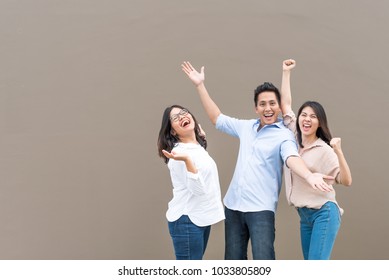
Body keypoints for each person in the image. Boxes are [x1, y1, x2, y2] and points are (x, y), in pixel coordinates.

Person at [181, 61, 334, 260]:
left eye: (272, 103)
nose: (268, 108)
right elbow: (216, 118)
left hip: (261, 210)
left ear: (278, 107)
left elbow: (291, 158)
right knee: (233, 265)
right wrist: (200, 85)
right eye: (262, 104)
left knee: (264, 263)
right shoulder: (246, 128)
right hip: (233, 207)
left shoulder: (284, 135)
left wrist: (308, 174)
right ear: (256, 108)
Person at [281, 59, 352, 260]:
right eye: (303, 115)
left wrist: (338, 150)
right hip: (304, 216)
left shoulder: (324, 149)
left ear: (319, 122)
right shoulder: (292, 136)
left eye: (312, 116)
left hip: (324, 213)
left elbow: (346, 181)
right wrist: (286, 72)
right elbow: (285, 105)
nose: (306, 119)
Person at [157, 104, 225, 260]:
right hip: (187, 220)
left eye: (184, 112)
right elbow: (198, 190)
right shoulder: (179, 154)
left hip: (199, 218)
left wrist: (201, 140)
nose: (182, 117)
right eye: (176, 118)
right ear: (173, 130)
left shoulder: (195, 148)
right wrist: (187, 160)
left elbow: (203, 171)